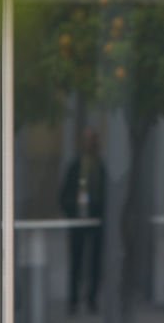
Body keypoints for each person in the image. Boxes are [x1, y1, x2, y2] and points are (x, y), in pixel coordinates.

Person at [59, 127, 106, 316]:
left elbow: (106, 195)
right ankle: (74, 300)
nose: (90, 144)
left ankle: (91, 299)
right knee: (76, 262)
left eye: (92, 140)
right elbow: (63, 195)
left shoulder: (100, 166)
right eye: (87, 140)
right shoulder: (75, 166)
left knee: (95, 262)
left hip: (96, 220)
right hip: (78, 219)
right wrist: (72, 213)